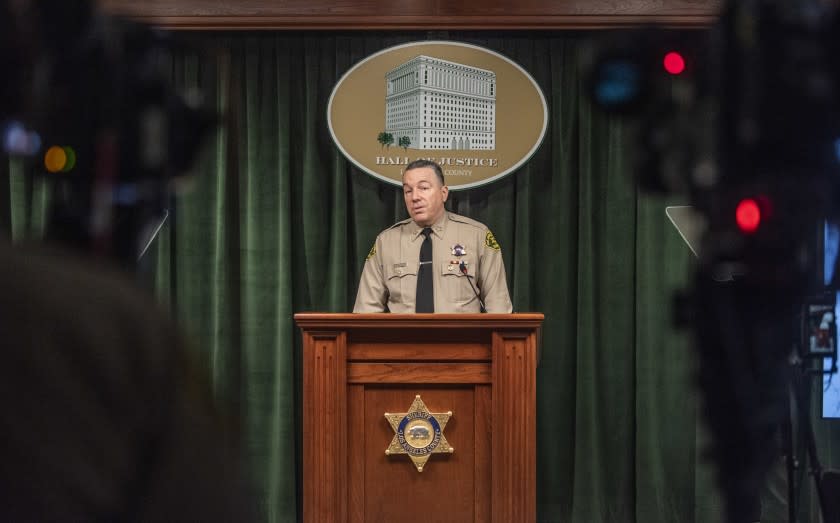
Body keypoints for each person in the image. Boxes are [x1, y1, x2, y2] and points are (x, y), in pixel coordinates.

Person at [354, 159, 513, 313]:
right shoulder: (386, 242)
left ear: (443, 193)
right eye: (408, 191)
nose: (415, 197)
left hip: (462, 339)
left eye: (423, 188)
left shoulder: (477, 236)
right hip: (404, 340)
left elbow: (498, 308)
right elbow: (366, 312)